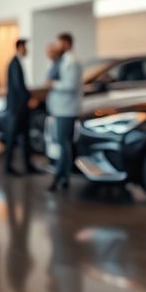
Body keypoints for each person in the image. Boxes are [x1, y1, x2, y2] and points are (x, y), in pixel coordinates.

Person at [47, 32, 83, 192]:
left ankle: (61, 176)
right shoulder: (62, 61)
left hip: (67, 109)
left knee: (64, 143)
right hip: (61, 108)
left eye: (58, 43)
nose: (56, 46)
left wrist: (53, 84)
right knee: (64, 143)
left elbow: (70, 85)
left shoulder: (72, 62)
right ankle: (63, 176)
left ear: (66, 43)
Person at [4, 39, 36, 176]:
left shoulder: (17, 63)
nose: (27, 50)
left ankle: (28, 166)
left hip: (20, 108)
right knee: (12, 137)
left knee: (25, 137)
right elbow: (18, 87)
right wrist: (29, 99)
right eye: (26, 47)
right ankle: (8, 167)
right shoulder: (14, 64)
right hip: (17, 108)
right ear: (20, 47)